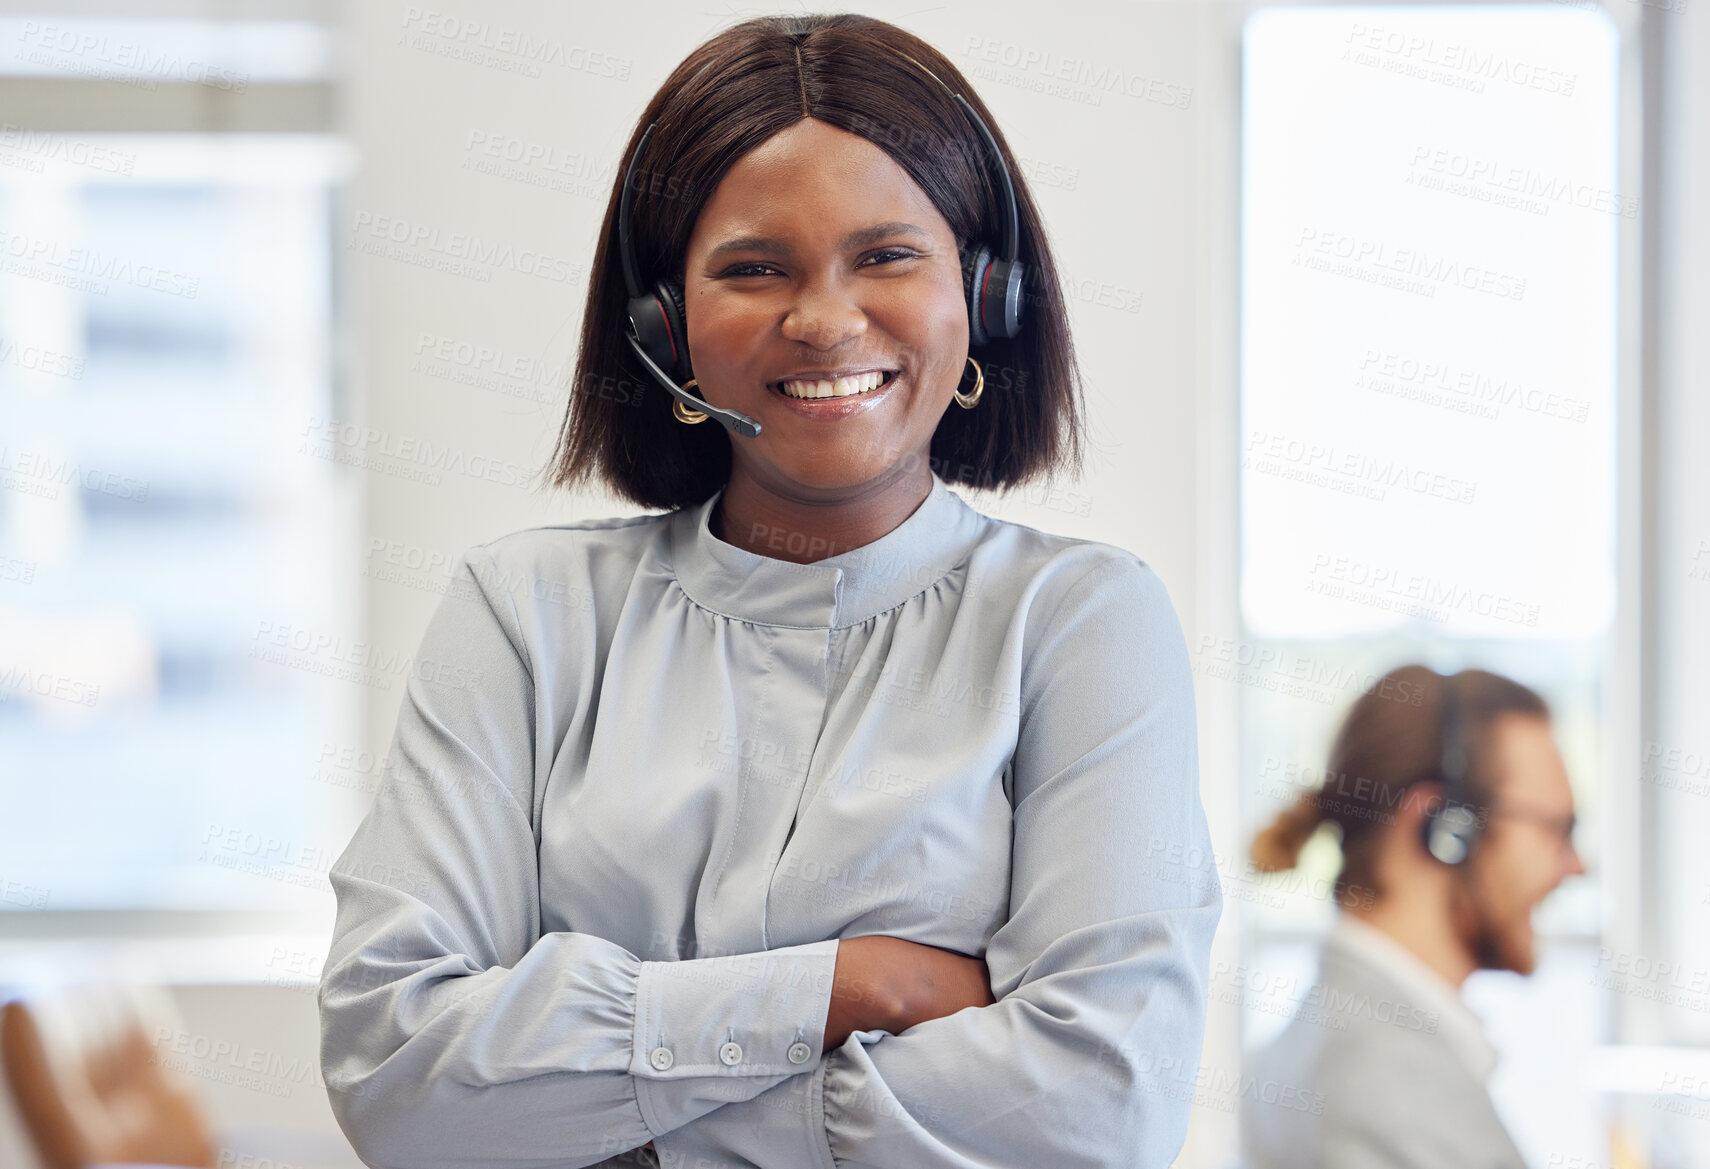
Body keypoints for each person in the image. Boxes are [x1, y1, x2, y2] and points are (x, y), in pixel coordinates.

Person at [316, 13, 1220, 1169]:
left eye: (887, 255)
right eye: (754, 268)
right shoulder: (523, 610)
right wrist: (852, 988)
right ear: (662, 326)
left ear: (983, 293)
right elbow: (396, 1075)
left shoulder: (1083, 623)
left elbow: (1101, 1108)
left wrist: (619, 1115)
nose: (826, 320)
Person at [1239, 665, 1587, 1169]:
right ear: (1444, 828)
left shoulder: (1306, 1047)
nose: (1576, 865)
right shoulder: (1394, 1105)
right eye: (1558, 828)